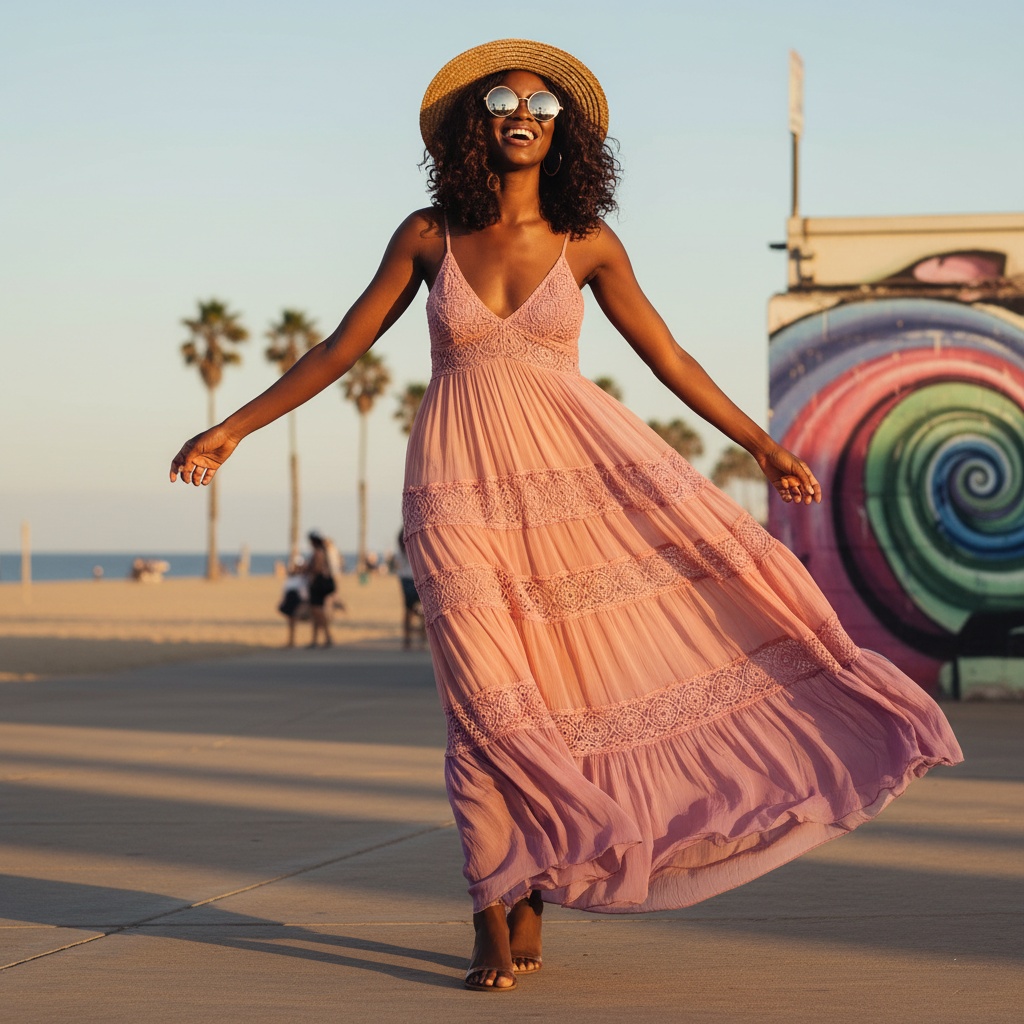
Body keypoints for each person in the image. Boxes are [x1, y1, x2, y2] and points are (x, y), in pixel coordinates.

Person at [170, 39, 962, 993]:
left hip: (572, 490)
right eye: (503, 99)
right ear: (477, 122)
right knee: (484, 704)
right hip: (456, 490)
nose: (521, 113)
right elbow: (342, 346)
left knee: (554, 698)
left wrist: (761, 443)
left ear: (562, 132)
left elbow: (669, 357)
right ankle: (488, 908)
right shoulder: (428, 234)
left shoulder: (589, 243)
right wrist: (233, 427)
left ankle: (533, 884)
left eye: (541, 106)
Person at [305, 532, 337, 648]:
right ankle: (316, 639)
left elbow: (317, 568)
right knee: (316, 614)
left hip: (318, 585)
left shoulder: (318, 552)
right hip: (319, 584)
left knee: (318, 612)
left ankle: (327, 637)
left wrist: (306, 569)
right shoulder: (323, 551)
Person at [394, 529, 425, 649]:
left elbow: (398, 566)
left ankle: (407, 639)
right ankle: (422, 639)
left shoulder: (400, 552)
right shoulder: (416, 548)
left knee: (407, 611)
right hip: (416, 578)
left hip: (405, 580)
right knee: (422, 611)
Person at [278, 556, 308, 648]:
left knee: (294, 620)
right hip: (290, 600)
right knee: (291, 621)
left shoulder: (304, 577)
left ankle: (292, 641)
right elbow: (285, 589)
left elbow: (304, 591)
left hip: (299, 600)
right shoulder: (291, 577)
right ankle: (291, 641)